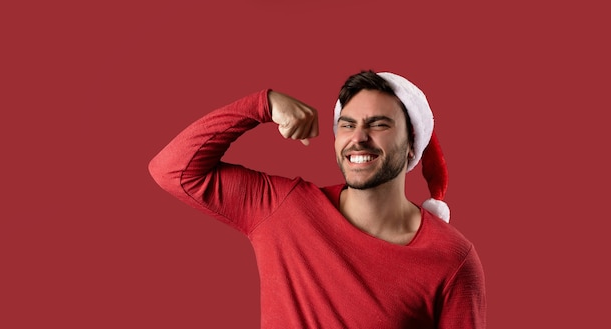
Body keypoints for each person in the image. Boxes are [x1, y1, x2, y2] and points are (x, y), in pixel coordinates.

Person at [148, 71, 486, 328]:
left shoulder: (451, 260)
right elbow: (173, 169)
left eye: (378, 124)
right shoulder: (283, 208)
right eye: (347, 124)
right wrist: (262, 105)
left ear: (413, 144)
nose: (358, 138)